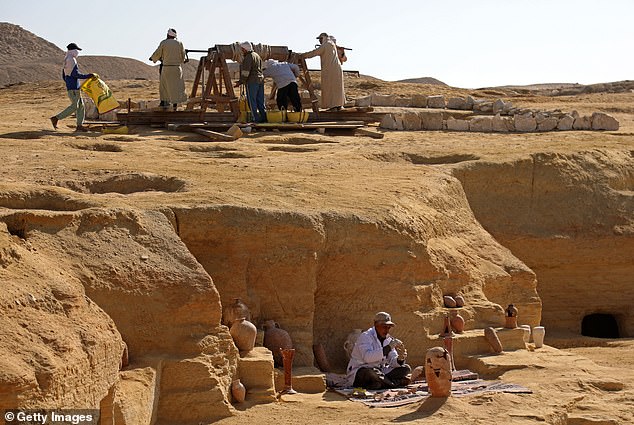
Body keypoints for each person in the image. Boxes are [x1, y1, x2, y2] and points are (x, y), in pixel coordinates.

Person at [346, 312, 411, 389]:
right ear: (376, 325)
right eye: (384, 327)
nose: (386, 330)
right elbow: (368, 358)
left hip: (380, 371)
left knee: (406, 368)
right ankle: (394, 383)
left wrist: (400, 359)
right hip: (361, 371)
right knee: (370, 373)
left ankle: (379, 383)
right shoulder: (366, 336)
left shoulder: (388, 339)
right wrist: (388, 348)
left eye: (388, 327)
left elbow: (392, 361)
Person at [50, 43, 94, 132]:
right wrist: (88, 76)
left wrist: (68, 82)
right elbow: (75, 74)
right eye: (76, 50)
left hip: (74, 86)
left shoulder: (67, 59)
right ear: (73, 50)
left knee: (81, 106)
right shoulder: (71, 60)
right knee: (75, 106)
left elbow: (64, 75)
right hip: (73, 87)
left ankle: (79, 126)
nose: (77, 52)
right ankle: (56, 118)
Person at [301, 32, 345, 111]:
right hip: (335, 69)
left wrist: (302, 55)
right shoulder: (331, 44)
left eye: (320, 39)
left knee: (330, 88)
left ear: (323, 38)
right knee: (336, 88)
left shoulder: (325, 45)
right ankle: (337, 105)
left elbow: (313, 53)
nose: (319, 41)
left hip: (330, 70)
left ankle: (334, 106)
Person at [149, 28, 188, 111]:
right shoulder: (179, 43)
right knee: (177, 87)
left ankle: (163, 102)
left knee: (164, 86)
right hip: (177, 68)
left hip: (166, 68)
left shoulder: (164, 43)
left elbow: (158, 53)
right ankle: (175, 104)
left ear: (168, 35)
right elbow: (183, 57)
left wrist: (152, 58)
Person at [234, 42, 266, 123]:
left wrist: (240, 82)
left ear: (245, 49)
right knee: (260, 100)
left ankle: (255, 118)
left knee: (252, 101)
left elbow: (246, 72)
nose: (241, 51)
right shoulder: (257, 55)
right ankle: (264, 117)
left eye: (242, 49)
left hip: (252, 81)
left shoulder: (248, 57)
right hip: (260, 80)